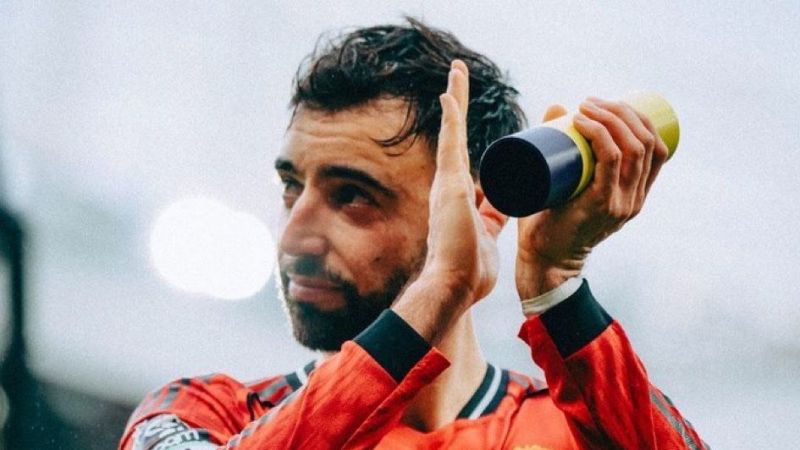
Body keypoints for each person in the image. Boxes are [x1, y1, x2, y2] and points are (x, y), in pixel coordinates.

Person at [119, 18, 707, 450]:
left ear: (479, 207)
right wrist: (439, 289)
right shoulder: (203, 413)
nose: (294, 236)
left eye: (352, 195)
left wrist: (556, 283)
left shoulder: (570, 429)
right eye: (292, 186)